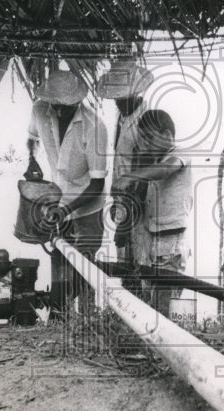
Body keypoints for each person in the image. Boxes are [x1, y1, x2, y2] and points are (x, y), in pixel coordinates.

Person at [25, 69, 107, 320]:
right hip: (58, 200)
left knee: (84, 269)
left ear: (78, 101)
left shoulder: (94, 127)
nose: (59, 111)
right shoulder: (39, 109)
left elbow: (97, 184)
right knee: (60, 265)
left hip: (87, 208)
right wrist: (32, 160)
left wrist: (67, 210)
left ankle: (87, 320)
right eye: (55, 105)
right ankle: (58, 318)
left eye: (66, 107)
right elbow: (32, 137)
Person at [112, 109, 192, 316]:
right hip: (155, 243)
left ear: (167, 135)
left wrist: (130, 176)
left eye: (149, 138)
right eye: (142, 140)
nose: (145, 145)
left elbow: (166, 169)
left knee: (165, 304)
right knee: (154, 301)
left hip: (171, 244)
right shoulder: (154, 163)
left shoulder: (178, 155)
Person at [95, 60, 154, 265]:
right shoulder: (121, 116)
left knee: (140, 262)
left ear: (136, 94)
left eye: (123, 97)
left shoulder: (146, 120)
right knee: (124, 263)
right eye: (116, 98)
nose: (118, 102)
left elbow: (145, 175)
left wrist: (127, 221)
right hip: (123, 201)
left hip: (140, 204)